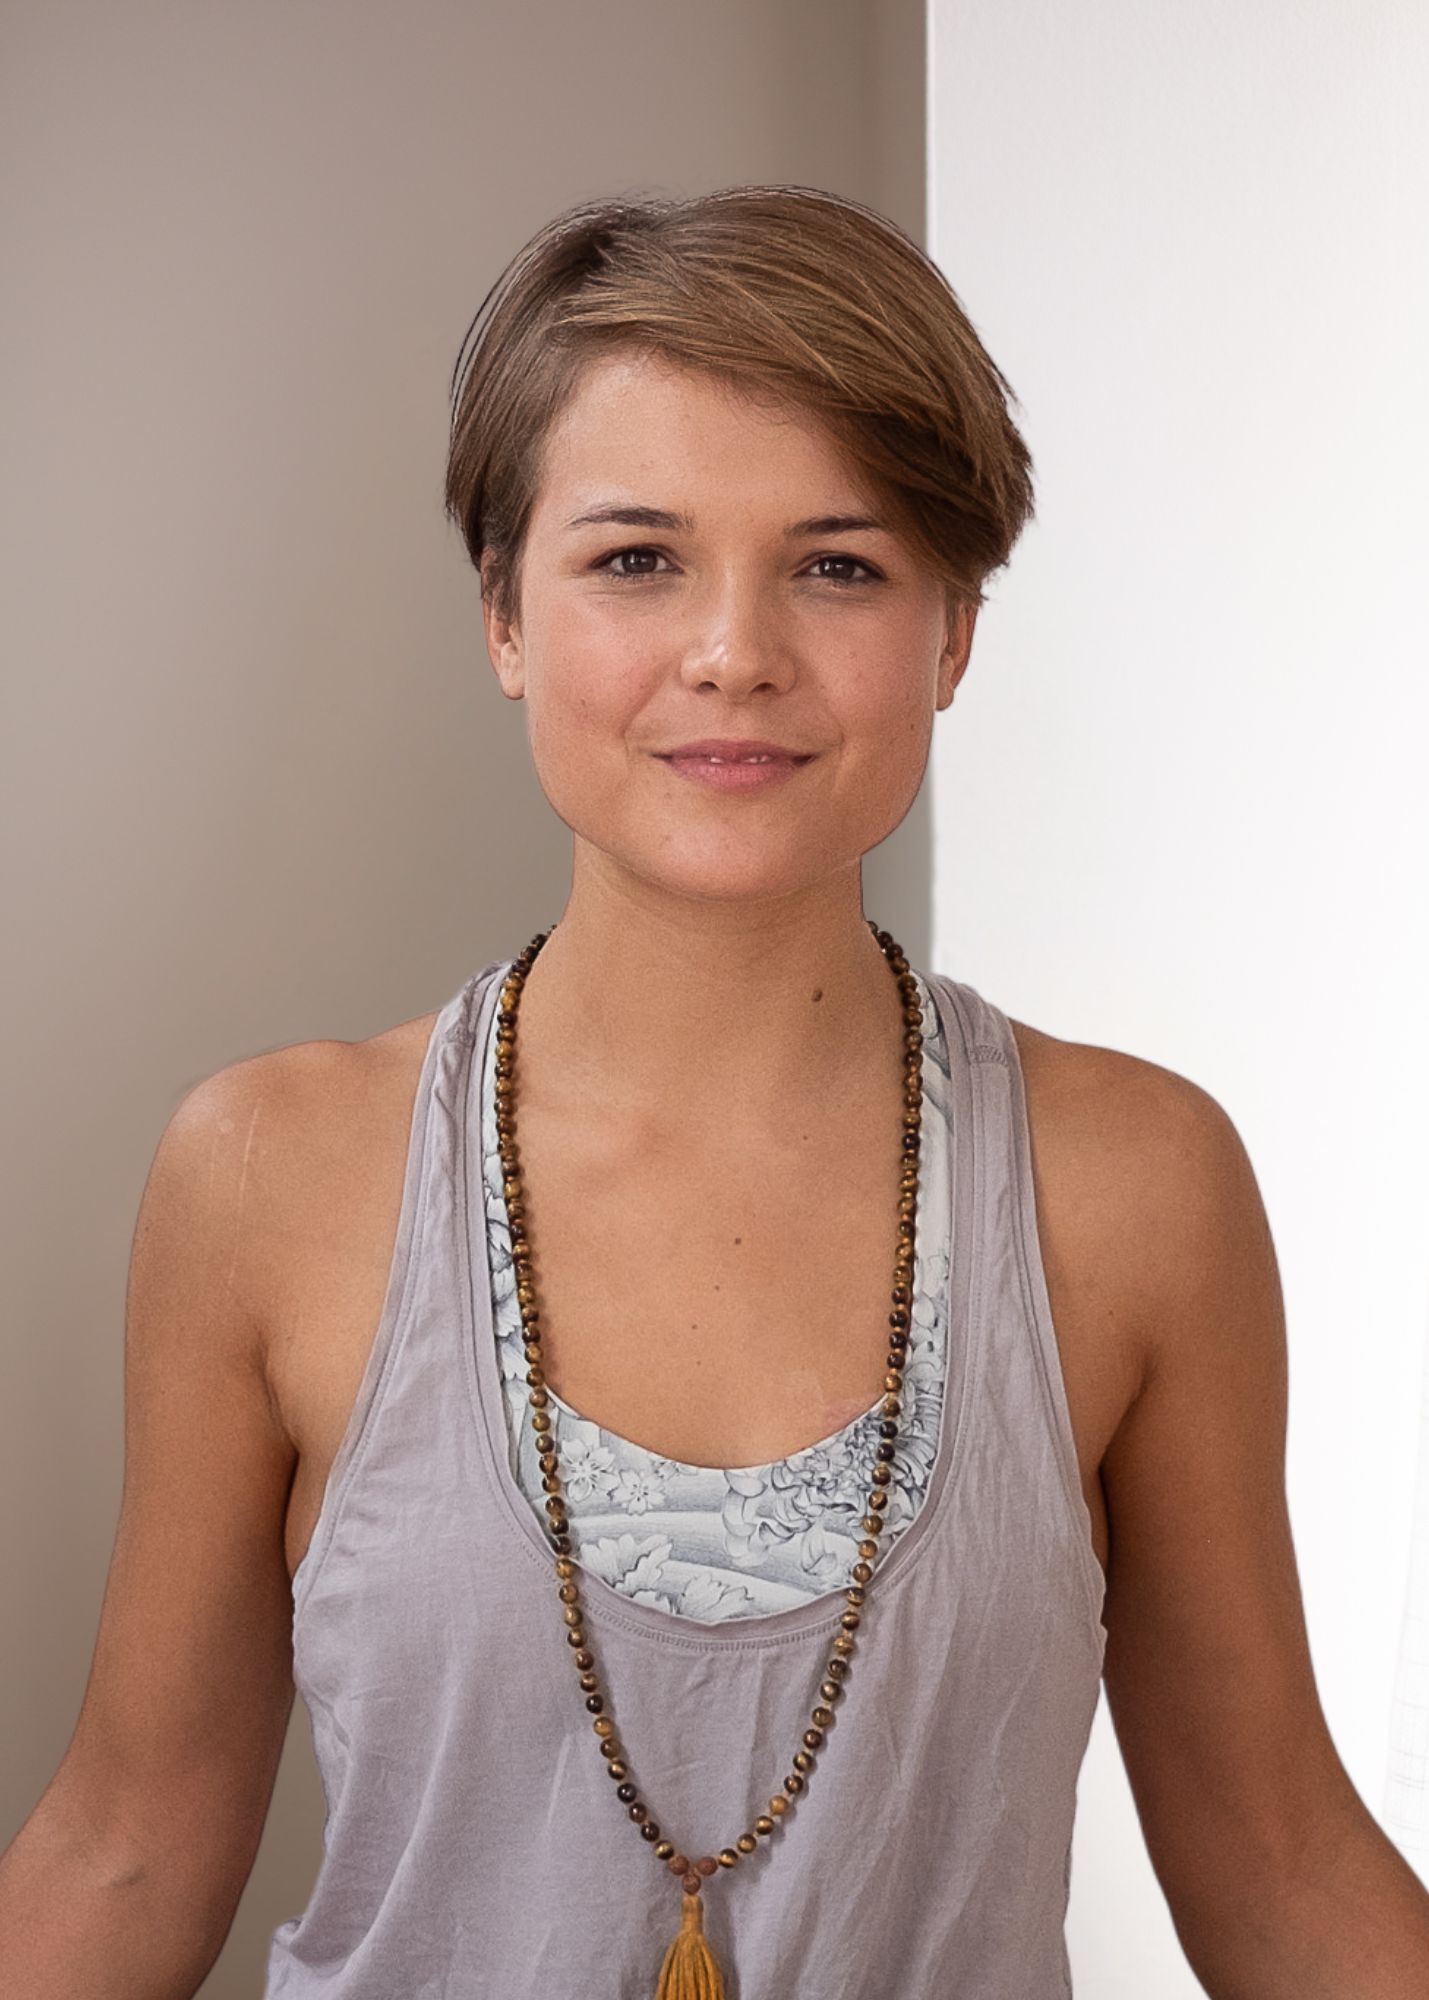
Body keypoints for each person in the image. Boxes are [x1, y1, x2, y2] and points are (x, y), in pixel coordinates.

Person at [1, 186, 1427, 2000]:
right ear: (504, 615)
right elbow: (126, 1847)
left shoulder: (1140, 1185)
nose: (734, 651)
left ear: (955, 633)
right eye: (636, 560)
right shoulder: (268, 1174)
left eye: (839, 566)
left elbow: (1279, 1859)